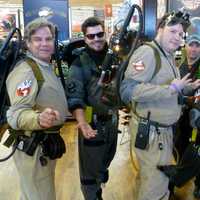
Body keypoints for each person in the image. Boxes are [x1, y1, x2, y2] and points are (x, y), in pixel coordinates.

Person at [120, 11, 200, 200]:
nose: (177, 38)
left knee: (150, 181)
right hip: (152, 134)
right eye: (173, 31)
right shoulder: (148, 53)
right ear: (160, 29)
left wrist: (184, 89)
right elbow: (128, 90)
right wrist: (171, 89)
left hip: (161, 133)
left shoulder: (168, 55)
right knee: (155, 186)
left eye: (181, 35)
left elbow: (166, 89)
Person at [6, 18, 69, 200]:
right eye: (38, 39)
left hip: (44, 145)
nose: (44, 44)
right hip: (33, 148)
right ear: (27, 43)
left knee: (34, 194)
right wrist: (38, 119)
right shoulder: (26, 71)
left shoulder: (44, 66)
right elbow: (15, 114)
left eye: (48, 39)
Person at [66, 17, 118, 200]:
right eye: (91, 36)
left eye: (100, 34)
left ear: (105, 33)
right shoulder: (79, 64)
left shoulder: (114, 58)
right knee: (89, 175)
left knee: (104, 162)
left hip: (112, 123)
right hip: (92, 125)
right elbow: (75, 98)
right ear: (85, 38)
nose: (96, 39)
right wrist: (82, 123)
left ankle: (100, 179)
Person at [163, 17, 200, 198]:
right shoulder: (179, 67)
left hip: (197, 120)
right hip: (180, 118)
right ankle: (171, 184)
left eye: (197, 46)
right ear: (186, 47)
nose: (193, 49)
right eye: (191, 45)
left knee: (196, 153)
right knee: (179, 148)